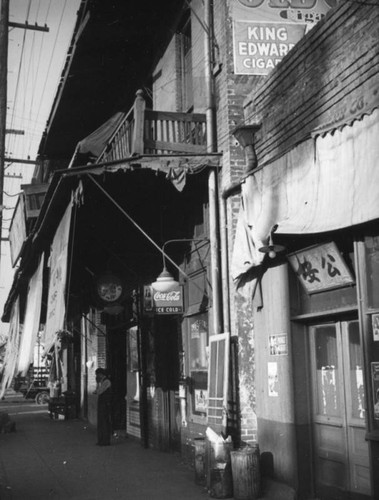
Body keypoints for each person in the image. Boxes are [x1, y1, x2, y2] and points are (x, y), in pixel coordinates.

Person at [94, 368, 112, 446]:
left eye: (98, 375)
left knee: (104, 421)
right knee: (100, 421)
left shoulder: (106, 381)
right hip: (101, 403)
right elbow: (97, 390)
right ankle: (101, 440)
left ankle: (105, 440)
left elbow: (99, 391)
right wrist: (97, 384)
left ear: (101, 374)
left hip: (105, 403)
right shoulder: (101, 382)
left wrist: (98, 384)